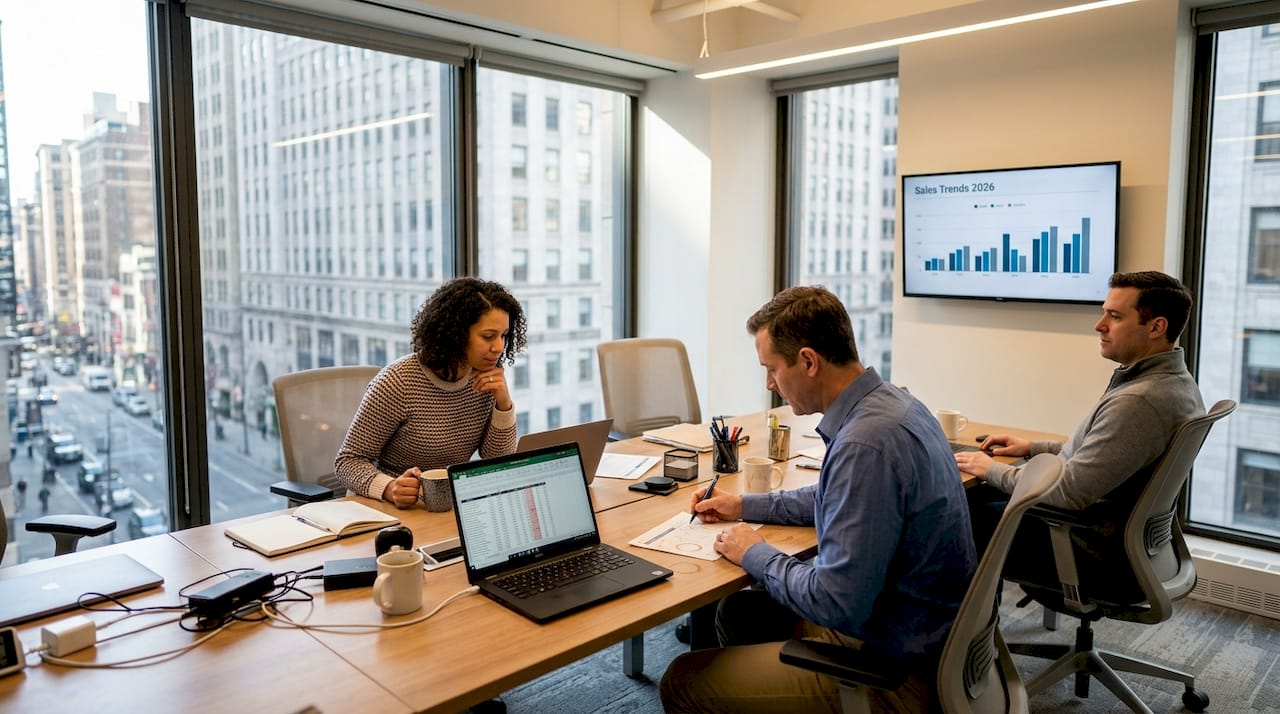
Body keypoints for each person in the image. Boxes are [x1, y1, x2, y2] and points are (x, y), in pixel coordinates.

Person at [659, 285, 976, 713]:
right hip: (928, 636)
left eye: (771, 369)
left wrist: (756, 554)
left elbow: (835, 601)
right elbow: (834, 498)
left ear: (808, 361)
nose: (770, 384)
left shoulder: (865, 444)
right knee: (738, 613)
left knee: (683, 680)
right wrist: (744, 506)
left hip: (896, 669)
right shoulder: (894, 405)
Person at [956, 270, 1205, 599]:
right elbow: (1108, 453)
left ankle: (960, 642)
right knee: (981, 495)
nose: (1099, 325)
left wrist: (991, 469)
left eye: (1114, 316)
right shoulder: (1174, 383)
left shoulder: (1139, 401)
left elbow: (1067, 492)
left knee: (954, 512)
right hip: (1122, 539)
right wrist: (1032, 447)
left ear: (1156, 327)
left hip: (1090, 551)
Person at [335, 277, 527, 509]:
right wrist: (389, 488)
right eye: (488, 336)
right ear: (456, 334)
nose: (498, 347)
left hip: (443, 505)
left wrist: (503, 404)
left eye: (504, 335)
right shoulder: (398, 382)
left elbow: (497, 462)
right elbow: (347, 462)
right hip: (387, 509)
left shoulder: (486, 380)